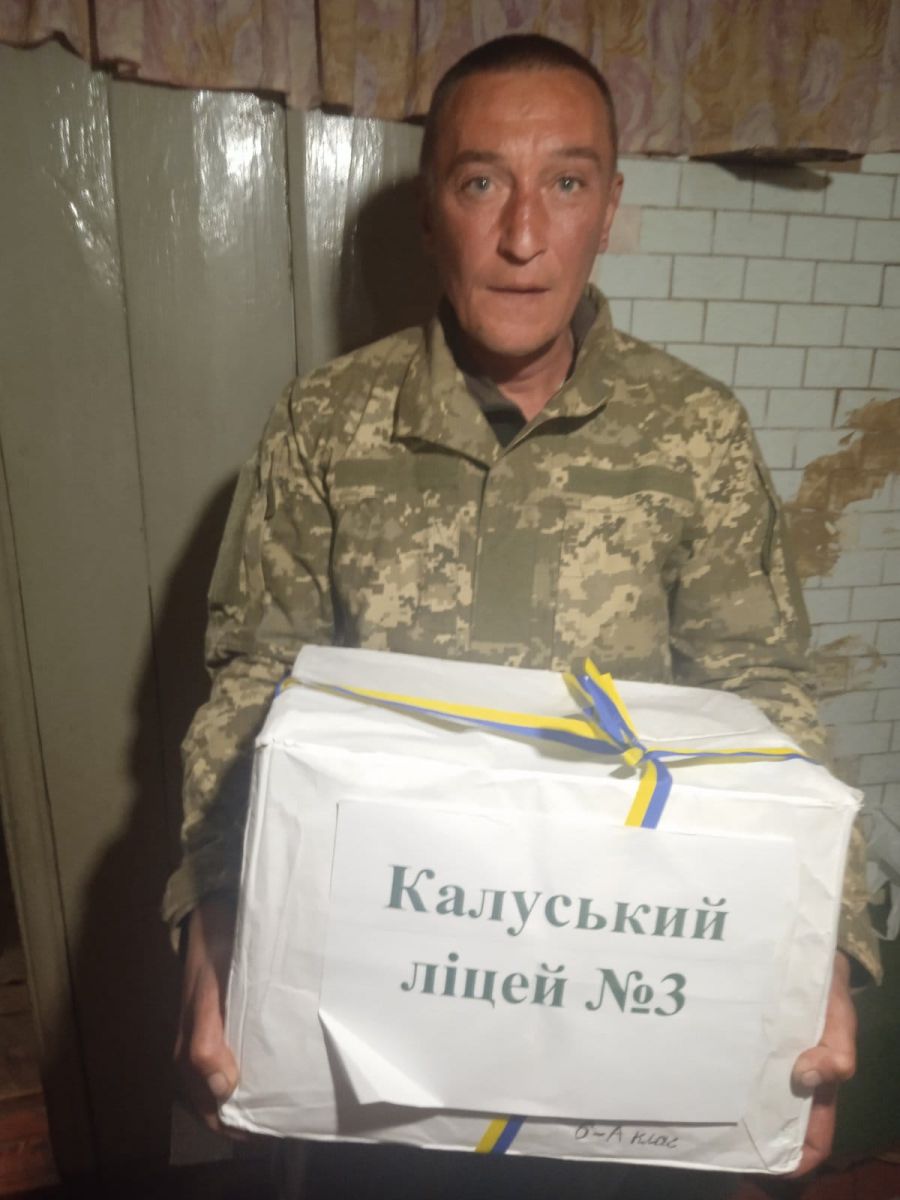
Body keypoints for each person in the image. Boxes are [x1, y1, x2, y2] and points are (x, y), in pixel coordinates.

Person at [166, 33, 879, 1198]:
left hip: (618, 1012)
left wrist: (825, 956)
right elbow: (252, 685)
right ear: (430, 211)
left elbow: (765, 701)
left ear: (610, 209)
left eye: (567, 181)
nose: (523, 234)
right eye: (482, 181)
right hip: (380, 1007)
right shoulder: (325, 424)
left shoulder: (694, 432)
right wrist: (216, 920)